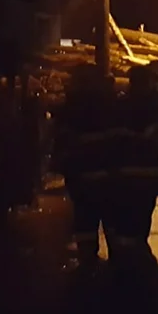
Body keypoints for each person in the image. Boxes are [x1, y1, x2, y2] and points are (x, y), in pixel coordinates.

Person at [110, 64, 158, 269]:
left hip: (147, 167)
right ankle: (149, 251)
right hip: (156, 166)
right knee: (153, 208)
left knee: (149, 208)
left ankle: (141, 252)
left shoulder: (123, 104)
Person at [51, 64, 117, 266]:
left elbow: (60, 142)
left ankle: (88, 261)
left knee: (85, 219)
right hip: (107, 174)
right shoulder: (109, 106)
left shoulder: (69, 109)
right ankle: (116, 262)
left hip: (82, 176)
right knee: (111, 219)